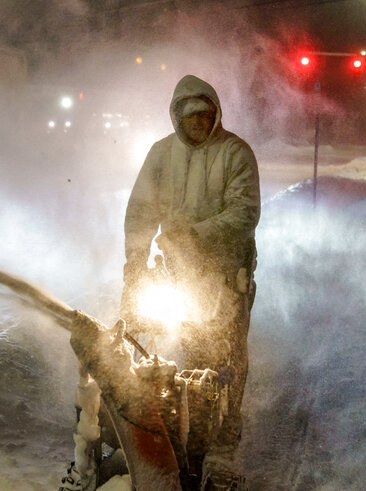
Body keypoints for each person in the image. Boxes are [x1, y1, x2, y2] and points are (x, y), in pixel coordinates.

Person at [121, 74, 260, 483]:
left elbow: (245, 212)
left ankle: (224, 441)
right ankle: (186, 430)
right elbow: (141, 211)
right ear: (177, 118)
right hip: (179, 275)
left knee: (227, 359)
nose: (198, 123)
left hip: (224, 277)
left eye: (205, 116)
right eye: (191, 117)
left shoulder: (235, 153)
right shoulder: (161, 155)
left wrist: (194, 234)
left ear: (216, 115)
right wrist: (135, 263)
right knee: (188, 352)